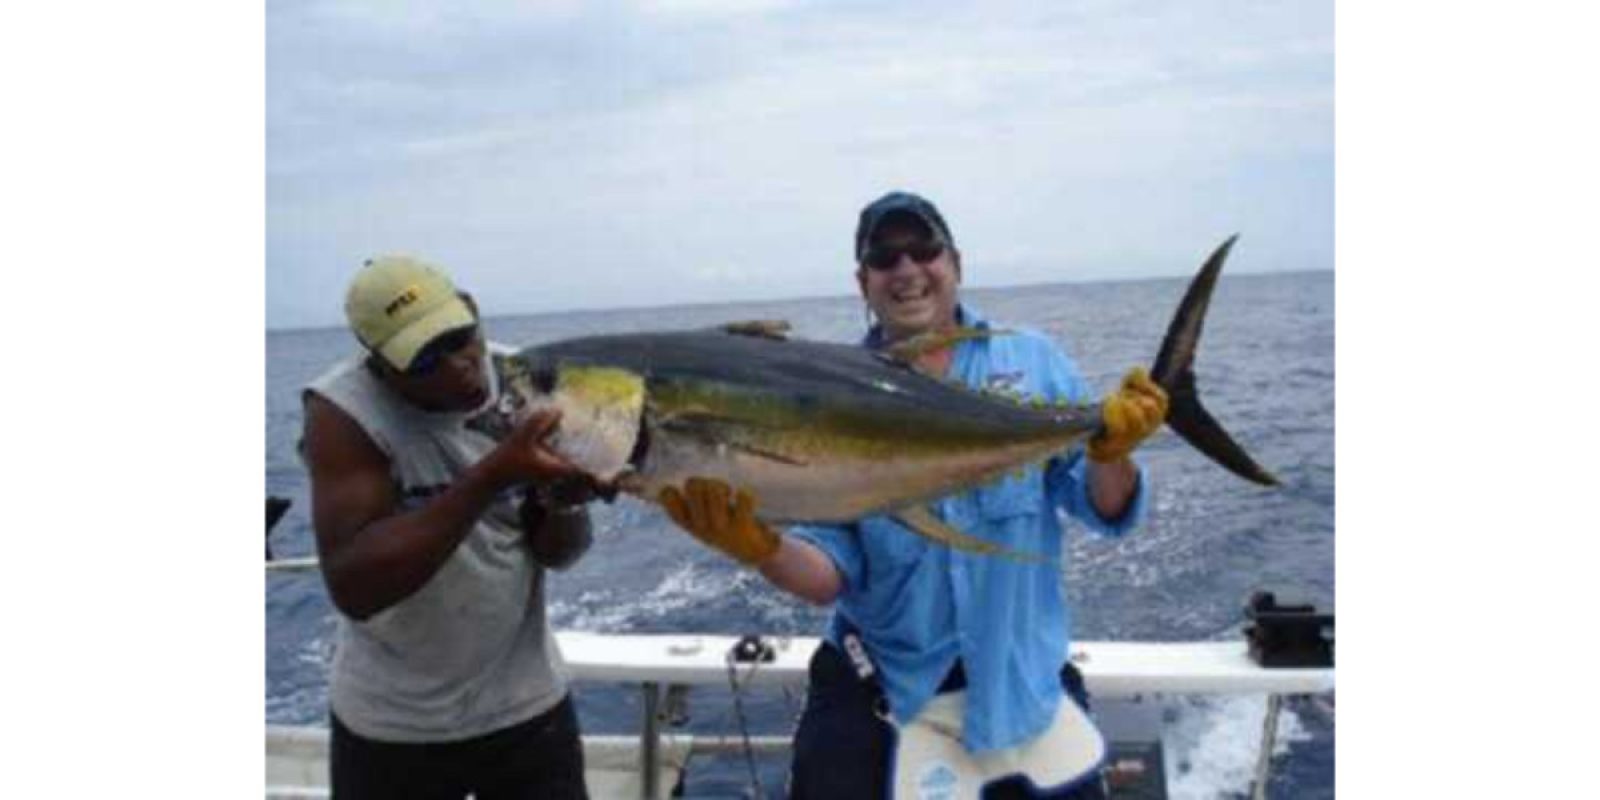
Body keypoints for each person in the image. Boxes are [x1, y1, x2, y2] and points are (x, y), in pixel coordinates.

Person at [659, 191, 1168, 798]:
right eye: (884, 256)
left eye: (923, 248)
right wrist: (759, 547)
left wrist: (1113, 453)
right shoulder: (831, 395)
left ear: (955, 262)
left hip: (1022, 691)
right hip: (884, 692)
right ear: (863, 281)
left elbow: (1106, 507)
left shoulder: (1033, 360)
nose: (906, 269)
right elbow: (827, 576)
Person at [301, 255, 597, 799]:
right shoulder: (344, 413)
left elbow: (560, 553)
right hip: (391, 728)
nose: (457, 365)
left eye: (460, 337)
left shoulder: (528, 385)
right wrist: (492, 475)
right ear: (379, 363)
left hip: (526, 708)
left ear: (473, 311)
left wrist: (563, 502)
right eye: (424, 358)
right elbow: (356, 585)